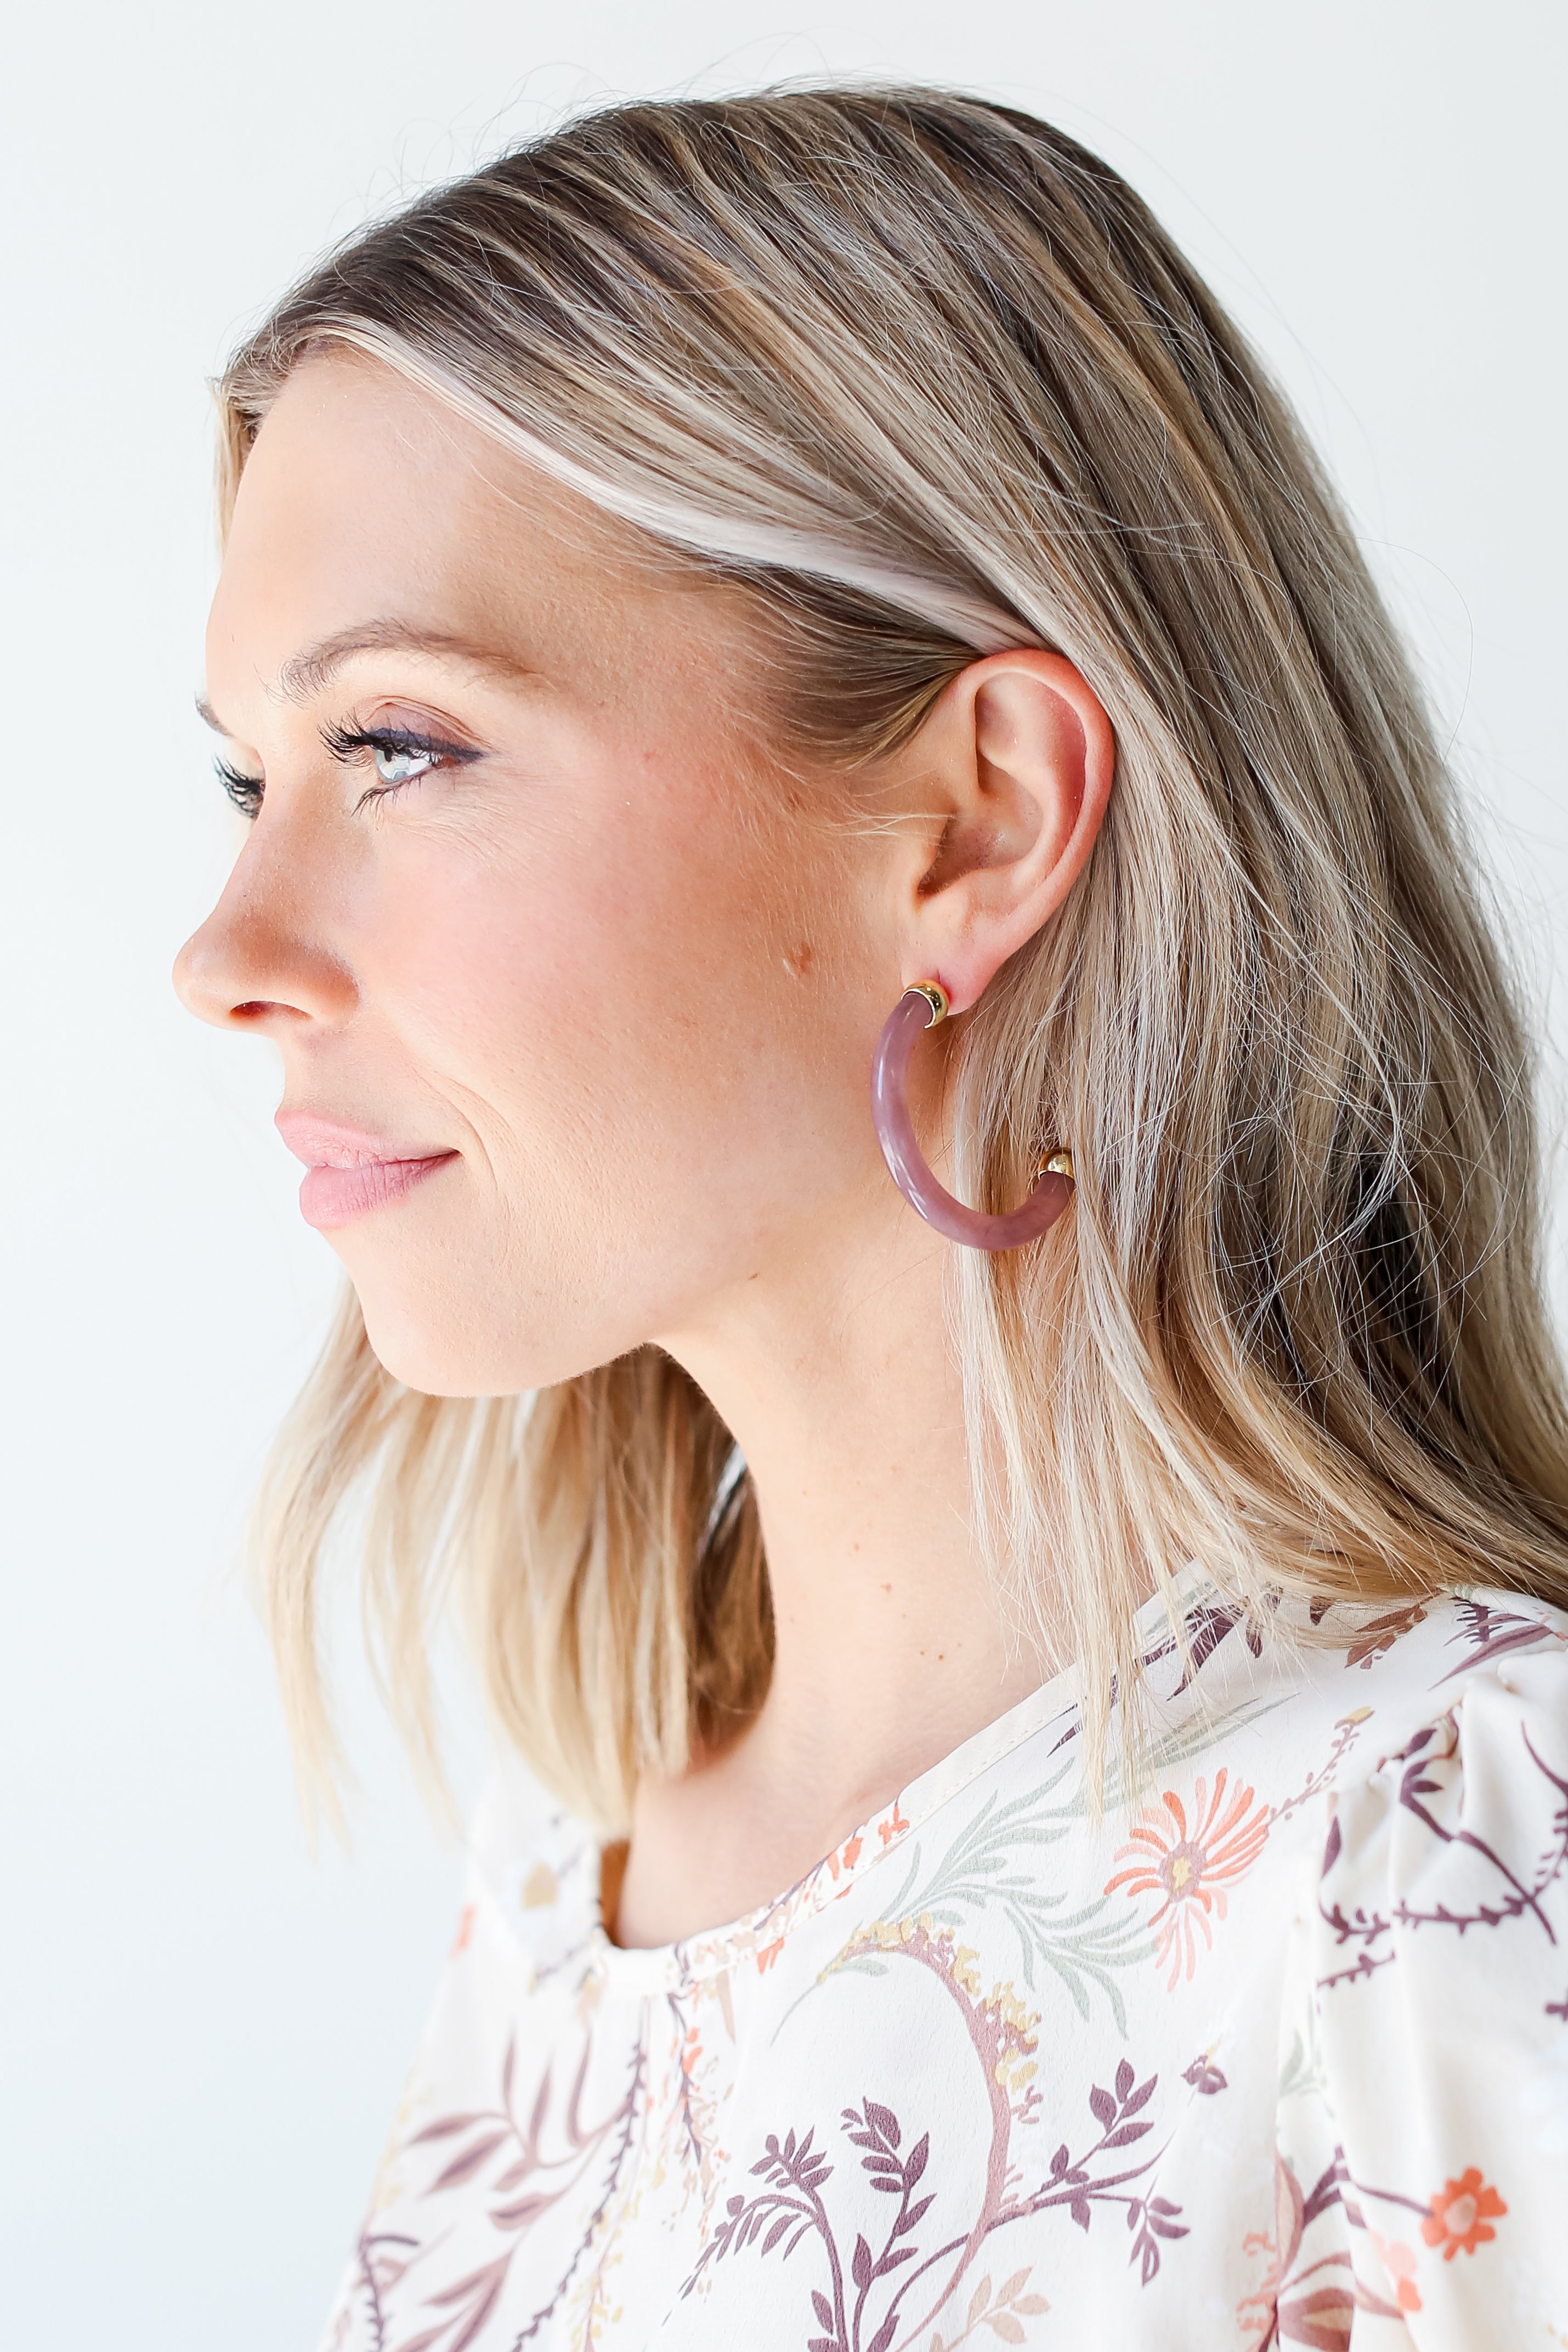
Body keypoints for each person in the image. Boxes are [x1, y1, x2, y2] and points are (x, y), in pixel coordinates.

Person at [174, 87, 1568, 2350]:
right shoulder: (567, 1889)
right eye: (248, 777)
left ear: (979, 822)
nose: (224, 950)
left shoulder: (1454, 1844)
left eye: (400, 747)